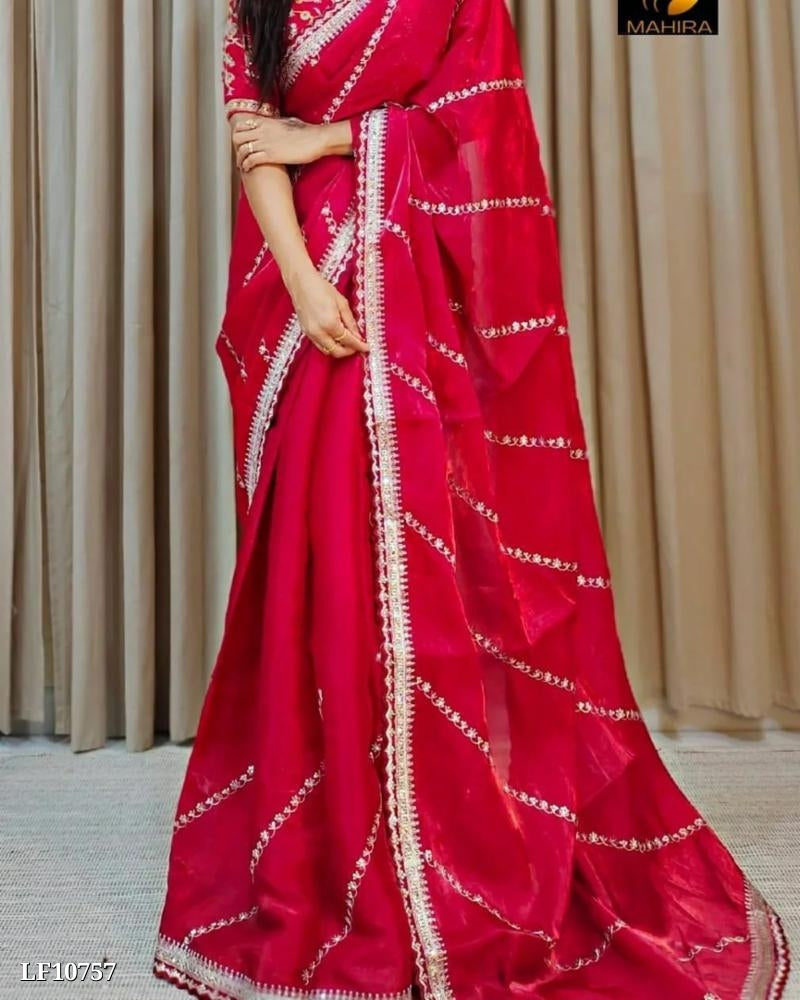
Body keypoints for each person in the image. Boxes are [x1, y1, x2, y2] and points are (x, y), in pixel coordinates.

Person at [153, 1, 790, 998]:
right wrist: (305, 282)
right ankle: (342, 862)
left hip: (425, 311)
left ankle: (451, 857)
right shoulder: (257, 5)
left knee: (437, 589)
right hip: (313, 304)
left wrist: (334, 137)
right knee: (329, 586)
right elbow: (252, 139)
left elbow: (475, 121)